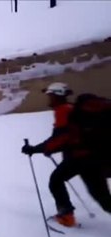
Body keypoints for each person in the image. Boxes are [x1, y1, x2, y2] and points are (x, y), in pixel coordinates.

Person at [22, 82, 111, 227]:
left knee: (102, 198)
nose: (49, 99)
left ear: (57, 96)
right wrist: (47, 148)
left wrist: (35, 149)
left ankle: (66, 216)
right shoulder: (72, 110)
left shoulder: (63, 110)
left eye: (50, 96)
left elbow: (61, 138)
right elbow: (68, 137)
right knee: (59, 180)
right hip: (85, 158)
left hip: (83, 160)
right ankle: (66, 214)